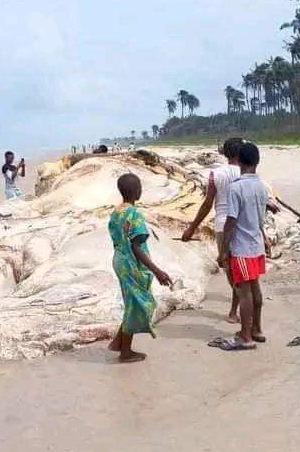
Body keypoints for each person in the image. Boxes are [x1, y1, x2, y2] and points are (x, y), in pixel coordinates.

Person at [107, 173, 171, 363]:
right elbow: (137, 247)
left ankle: (119, 342)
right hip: (130, 264)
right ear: (136, 191)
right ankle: (125, 351)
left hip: (119, 260)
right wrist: (157, 271)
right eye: (140, 187)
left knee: (132, 302)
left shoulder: (116, 212)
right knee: (139, 304)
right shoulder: (134, 215)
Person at [182, 137, 243, 321]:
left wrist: (191, 228)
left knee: (229, 267)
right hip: (242, 224)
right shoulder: (246, 172)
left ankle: (236, 308)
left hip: (222, 224)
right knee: (241, 266)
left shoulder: (216, 174)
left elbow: (208, 204)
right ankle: (237, 307)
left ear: (224, 153)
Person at [218, 142, 268, 350]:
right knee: (255, 288)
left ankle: (246, 336)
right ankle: (256, 328)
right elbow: (260, 219)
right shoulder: (262, 186)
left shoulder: (236, 187)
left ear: (238, 160)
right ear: (256, 161)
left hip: (242, 247)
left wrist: (223, 250)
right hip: (256, 246)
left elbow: (231, 221)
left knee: (243, 292)